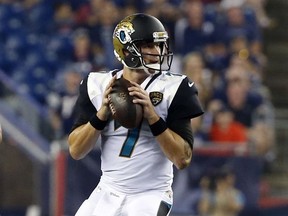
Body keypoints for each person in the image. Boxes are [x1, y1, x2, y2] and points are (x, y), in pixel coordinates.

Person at [67, 13, 204, 216]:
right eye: (148, 45)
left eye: (158, 45)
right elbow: (76, 151)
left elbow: (182, 158)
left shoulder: (175, 88)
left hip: (150, 195)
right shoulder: (98, 85)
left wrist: (153, 117)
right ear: (125, 50)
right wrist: (102, 114)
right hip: (107, 190)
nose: (156, 51)